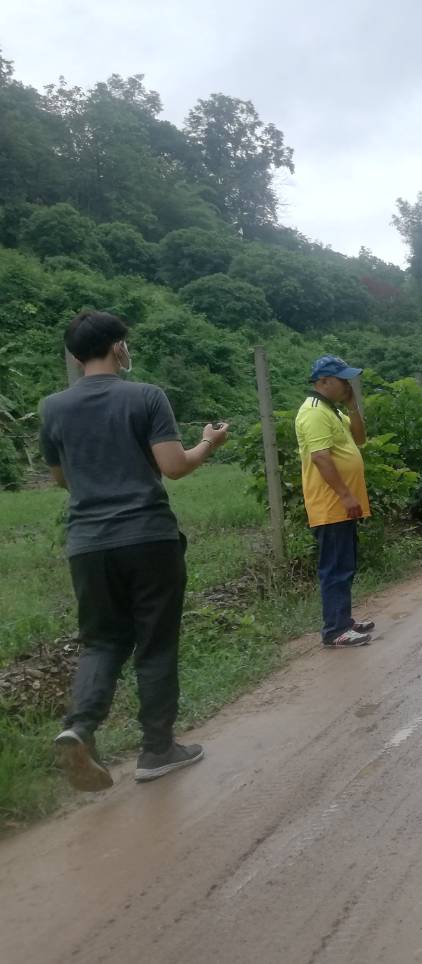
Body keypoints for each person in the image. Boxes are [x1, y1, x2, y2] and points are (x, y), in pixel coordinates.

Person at [43, 310, 229, 790]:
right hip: (147, 537)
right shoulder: (145, 396)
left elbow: (62, 478)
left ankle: (78, 727)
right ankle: (157, 749)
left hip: (87, 544)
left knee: (102, 640)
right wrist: (208, 443)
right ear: (118, 347)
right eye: (125, 343)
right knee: (155, 641)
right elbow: (174, 466)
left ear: (74, 354)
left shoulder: (52, 408)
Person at [295, 355, 376, 649]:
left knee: (345, 563)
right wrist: (344, 494)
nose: (347, 384)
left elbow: (360, 438)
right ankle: (335, 629)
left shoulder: (333, 411)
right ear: (323, 382)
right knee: (335, 567)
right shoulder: (314, 412)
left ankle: (343, 620)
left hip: (341, 505)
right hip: (331, 505)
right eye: (342, 380)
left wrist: (353, 405)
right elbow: (320, 457)